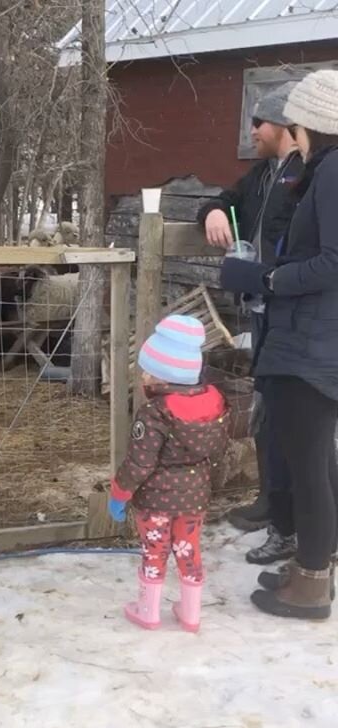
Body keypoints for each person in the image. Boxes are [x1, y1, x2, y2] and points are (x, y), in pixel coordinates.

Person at [221, 70, 338, 620]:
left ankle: (312, 583)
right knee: (315, 460)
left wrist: (269, 280)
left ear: (308, 124)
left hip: (312, 345)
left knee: (310, 465)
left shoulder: (334, 171)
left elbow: (335, 261)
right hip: (311, 339)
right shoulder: (323, 172)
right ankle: (312, 567)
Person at [198, 84, 303, 566]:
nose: (252, 130)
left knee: (295, 414)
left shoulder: (309, 174)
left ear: (282, 124)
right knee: (265, 402)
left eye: (258, 122)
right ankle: (270, 500)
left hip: (294, 313)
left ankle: (299, 519)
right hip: (263, 311)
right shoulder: (263, 174)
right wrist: (215, 211)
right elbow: (224, 198)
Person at [108, 315, 229, 632]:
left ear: (163, 377)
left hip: (155, 503)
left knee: (154, 551)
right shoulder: (214, 406)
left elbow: (140, 463)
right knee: (189, 551)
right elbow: (217, 453)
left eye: (148, 371)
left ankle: (148, 611)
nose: (143, 377)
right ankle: (190, 615)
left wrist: (120, 493)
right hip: (194, 499)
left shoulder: (155, 413)